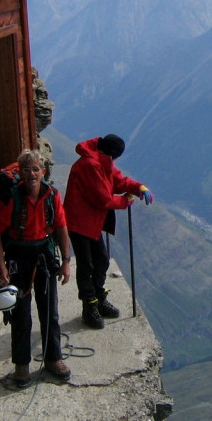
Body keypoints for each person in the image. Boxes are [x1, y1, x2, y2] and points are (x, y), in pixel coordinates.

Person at [0, 149, 73, 387]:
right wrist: (1, 267)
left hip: (44, 256)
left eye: (35, 169)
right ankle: (22, 365)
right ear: (20, 173)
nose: (31, 174)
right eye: (26, 169)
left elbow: (61, 227)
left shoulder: (52, 195)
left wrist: (66, 261)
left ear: (43, 172)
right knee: (21, 314)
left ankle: (53, 358)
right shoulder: (11, 198)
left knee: (50, 311)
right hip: (19, 256)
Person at [64, 134, 153, 329]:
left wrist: (138, 187)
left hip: (91, 222)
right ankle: (90, 306)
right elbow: (102, 199)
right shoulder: (90, 165)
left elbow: (117, 180)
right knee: (87, 265)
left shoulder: (101, 160)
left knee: (102, 260)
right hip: (79, 223)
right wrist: (125, 201)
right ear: (112, 154)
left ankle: (97, 298)